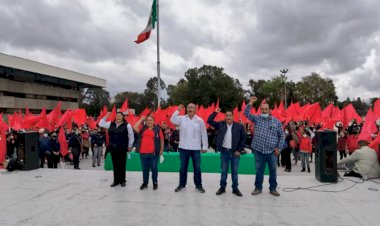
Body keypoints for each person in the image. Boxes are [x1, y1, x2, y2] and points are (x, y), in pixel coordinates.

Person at [244, 96, 286, 197]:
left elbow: (282, 136)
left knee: (273, 171)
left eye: (265, 109)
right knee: (259, 170)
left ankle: (273, 189)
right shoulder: (257, 118)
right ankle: (258, 188)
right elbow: (246, 113)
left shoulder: (276, 122)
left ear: (269, 110)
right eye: (262, 109)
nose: (263, 111)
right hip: (258, 151)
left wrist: (279, 149)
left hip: (272, 152)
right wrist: (251, 102)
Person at [208, 108, 246, 197]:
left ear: (233, 116)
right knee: (224, 171)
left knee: (235, 172)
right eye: (227, 115)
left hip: (235, 153)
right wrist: (215, 112)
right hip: (224, 152)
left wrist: (239, 150)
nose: (228, 117)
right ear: (225, 116)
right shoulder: (221, 124)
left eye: (230, 115)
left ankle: (235, 189)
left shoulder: (239, 126)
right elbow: (209, 121)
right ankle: (222, 188)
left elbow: (243, 139)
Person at [170, 103, 208, 193]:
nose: (190, 109)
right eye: (188, 107)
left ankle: (198, 186)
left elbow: (204, 134)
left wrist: (205, 146)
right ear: (186, 109)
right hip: (183, 147)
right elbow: (172, 120)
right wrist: (178, 110)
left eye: (192, 107)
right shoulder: (182, 118)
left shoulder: (199, 120)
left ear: (195, 110)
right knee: (183, 168)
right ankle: (182, 185)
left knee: (197, 168)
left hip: (196, 148)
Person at [99, 112, 134, 187]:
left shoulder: (127, 125)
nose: (118, 117)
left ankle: (122, 180)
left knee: (122, 164)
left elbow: (131, 136)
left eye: (120, 116)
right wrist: (106, 116)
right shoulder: (110, 124)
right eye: (117, 116)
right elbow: (101, 123)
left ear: (123, 117)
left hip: (122, 148)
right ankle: (116, 181)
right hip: (113, 148)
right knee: (115, 165)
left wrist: (130, 146)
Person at [133, 115, 164, 190]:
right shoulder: (143, 128)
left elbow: (162, 140)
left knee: (154, 168)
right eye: (147, 120)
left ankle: (155, 182)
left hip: (153, 153)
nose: (149, 121)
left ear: (154, 121)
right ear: (145, 122)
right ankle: (145, 183)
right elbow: (134, 127)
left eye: (151, 120)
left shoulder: (157, 129)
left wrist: (161, 150)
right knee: (145, 169)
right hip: (143, 153)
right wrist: (141, 119)